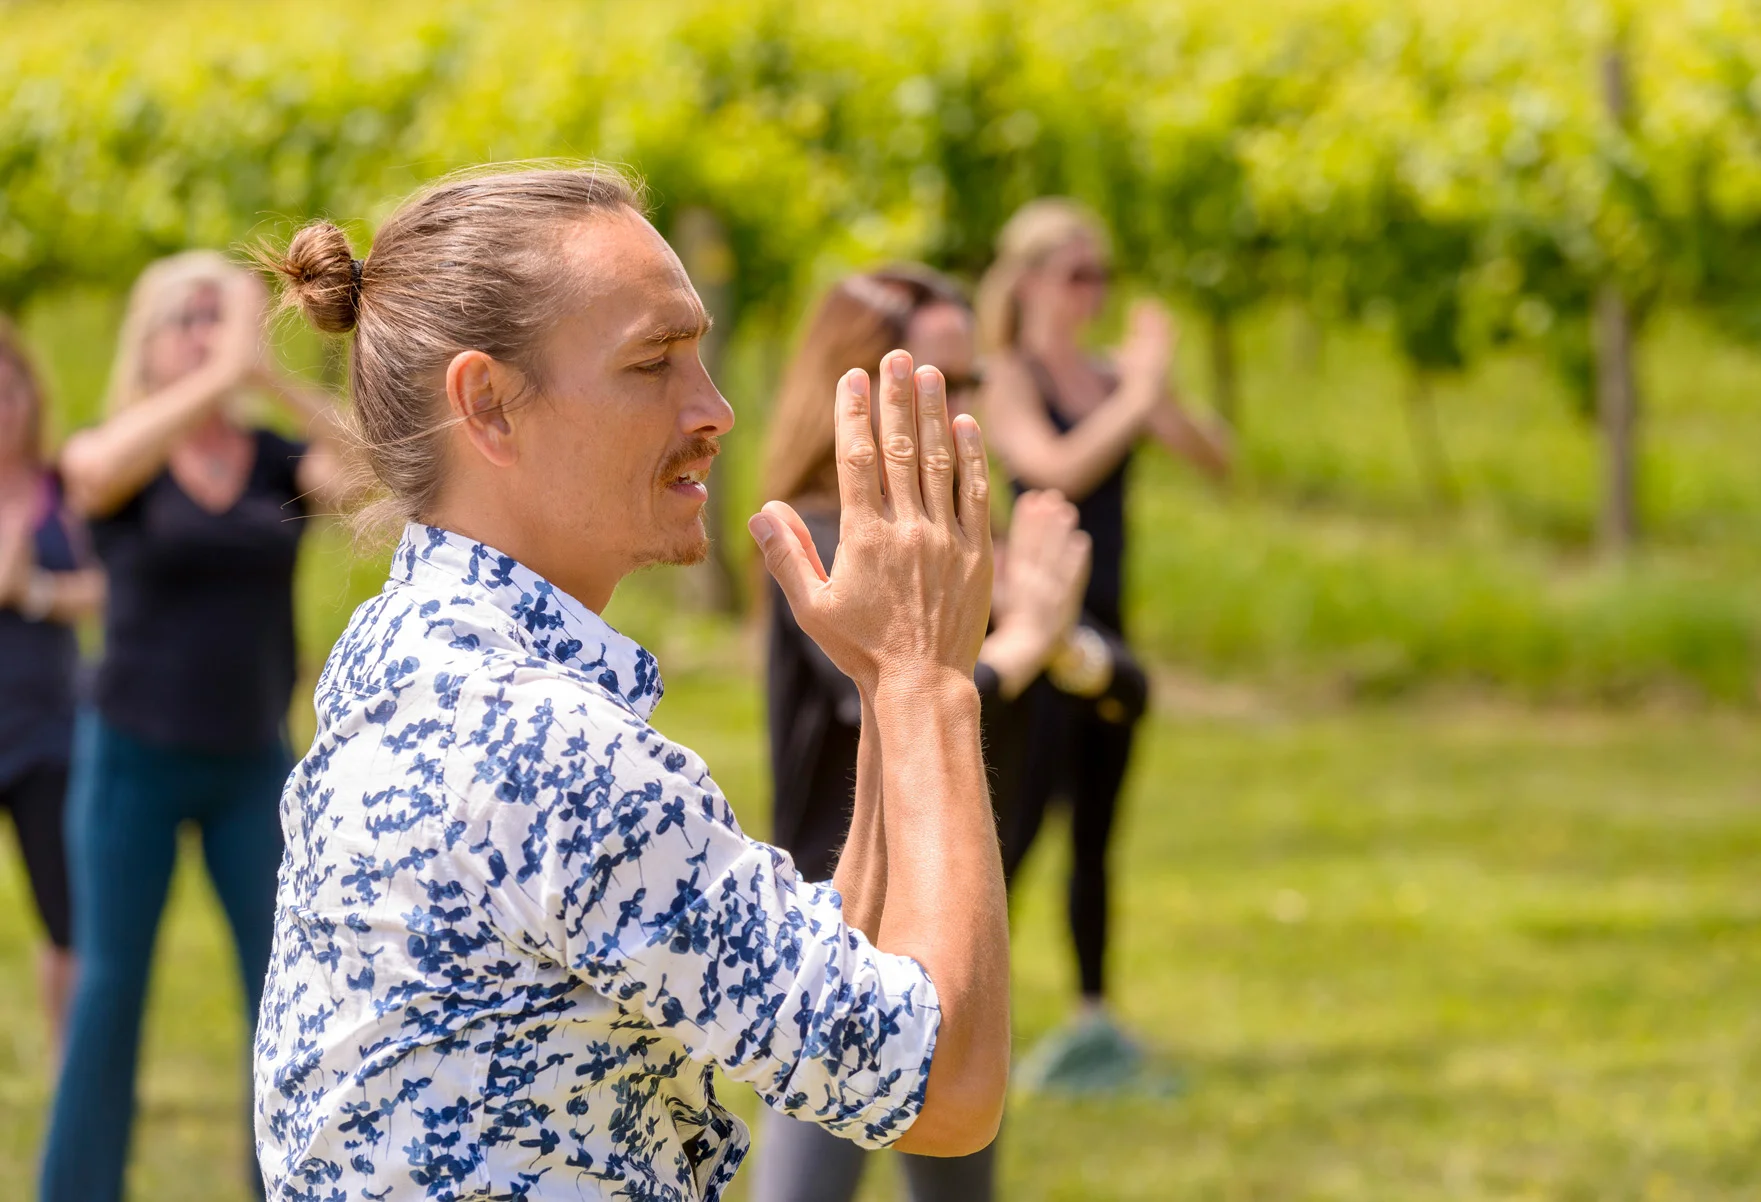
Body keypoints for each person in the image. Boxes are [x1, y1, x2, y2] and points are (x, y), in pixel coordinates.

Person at [252, 165, 1010, 1202]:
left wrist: (886, 682)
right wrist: (931, 681)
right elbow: (945, 1091)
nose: (716, 410)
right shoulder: (545, 748)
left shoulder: (404, 660)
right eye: (654, 361)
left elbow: (829, 1010)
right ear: (488, 405)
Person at [751, 266, 1147, 1202]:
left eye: (973, 379)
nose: (966, 405)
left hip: (955, 922)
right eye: (940, 382)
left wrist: (1062, 645)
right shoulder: (819, 536)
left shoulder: (959, 547)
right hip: (846, 932)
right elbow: (883, 697)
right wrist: (1025, 644)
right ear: (862, 389)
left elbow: (1126, 688)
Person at [40, 252, 350, 1202]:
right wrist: (222, 377)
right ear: (150, 339)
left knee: (286, 992)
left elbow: (378, 470)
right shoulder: (121, 453)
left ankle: (284, 1185)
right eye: (192, 318)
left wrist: (269, 380)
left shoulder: (276, 461)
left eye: (226, 318)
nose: (212, 336)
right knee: (108, 993)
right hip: (131, 758)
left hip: (252, 762)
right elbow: (89, 476)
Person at [975, 198, 1232, 1091]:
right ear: (1030, 280)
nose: (1093, 292)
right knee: (1014, 831)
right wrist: (1136, 398)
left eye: (1103, 276)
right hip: (1038, 629)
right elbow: (1054, 467)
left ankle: (1092, 1017)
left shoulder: (1115, 380)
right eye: (1077, 274)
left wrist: (1154, 393)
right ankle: (962, 1010)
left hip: (1110, 635)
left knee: (1096, 832)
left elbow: (1216, 456)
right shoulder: (1005, 376)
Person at [0, 319, 104, 1057]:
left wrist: (33, 590)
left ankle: (72, 1069)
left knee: (65, 913)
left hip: (47, 731)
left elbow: (108, 585)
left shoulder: (61, 487)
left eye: (10, 393)